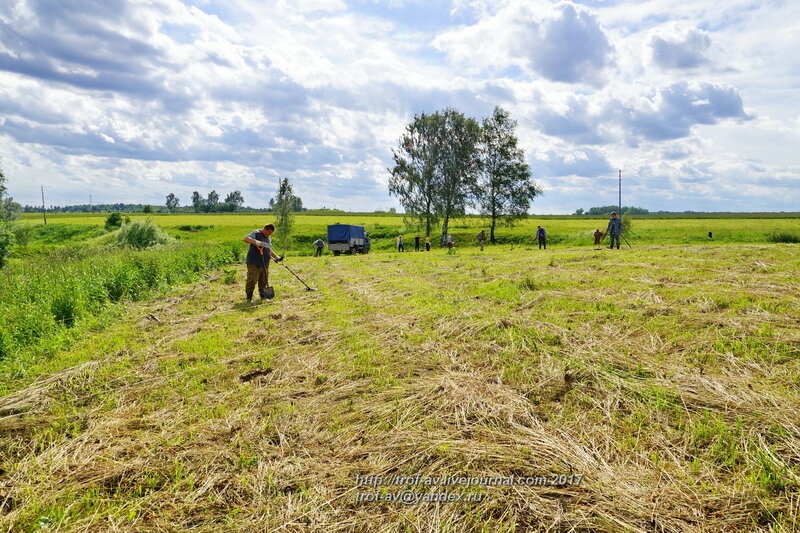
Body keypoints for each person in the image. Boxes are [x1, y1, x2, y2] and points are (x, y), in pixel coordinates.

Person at [243, 224, 282, 301]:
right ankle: (249, 298)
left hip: (265, 262)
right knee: (252, 280)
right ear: (265, 229)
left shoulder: (268, 238)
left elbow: (268, 249)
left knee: (263, 280)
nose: (269, 235)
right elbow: (246, 239)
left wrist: (276, 257)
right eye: (269, 233)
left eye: (271, 234)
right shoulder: (256, 233)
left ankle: (263, 296)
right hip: (254, 261)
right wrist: (256, 242)